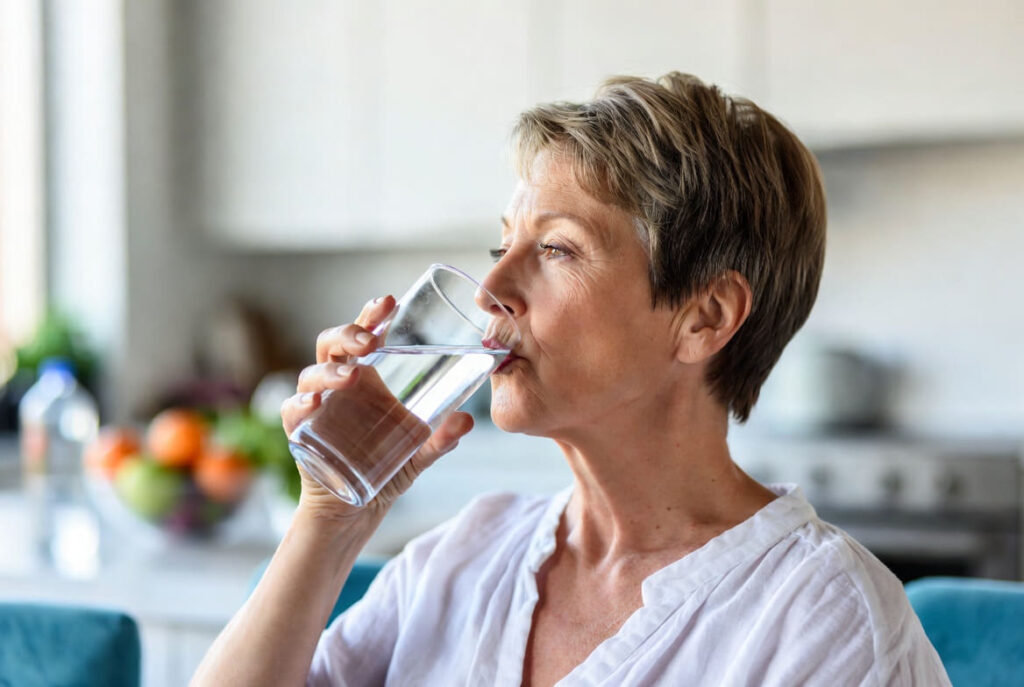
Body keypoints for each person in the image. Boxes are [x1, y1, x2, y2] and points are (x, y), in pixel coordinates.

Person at [192, 72, 950, 686]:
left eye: (557, 249)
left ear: (704, 317)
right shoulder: (463, 558)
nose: (491, 289)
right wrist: (330, 516)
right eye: (502, 243)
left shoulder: (825, 624)